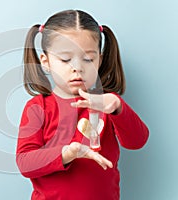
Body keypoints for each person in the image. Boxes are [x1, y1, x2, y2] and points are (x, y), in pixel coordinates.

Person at [16, 9, 149, 200]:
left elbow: (137, 142)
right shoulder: (38, 107)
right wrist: (68, 152)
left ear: (99, 60)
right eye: (65, 59)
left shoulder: (107, 104)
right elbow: (25, 163)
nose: (77, 67)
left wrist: (119, 107)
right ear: (45, 61)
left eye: (88, 59)